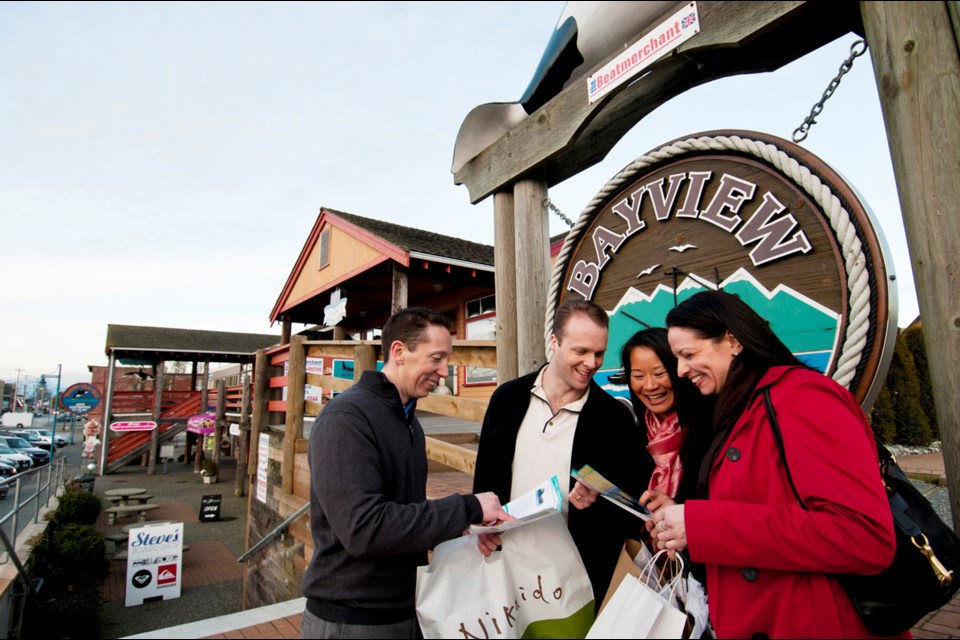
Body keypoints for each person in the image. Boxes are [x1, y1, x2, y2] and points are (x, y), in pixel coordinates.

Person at [648, 290, 898, 639]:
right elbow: (759, 501)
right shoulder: (741, 407)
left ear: (733, 341)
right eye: (677, 357)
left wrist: (703, 526)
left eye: (688, 354)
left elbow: (864, 536)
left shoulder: (803, 397)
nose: (681, 370)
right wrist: (684, 518)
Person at [301, 307, 510, 639]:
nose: (445, 371)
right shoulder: (347, 418)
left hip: (407, 608)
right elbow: (364, 529)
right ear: (398, 352)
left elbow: (404, 513)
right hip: (352, 620)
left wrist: (464, 530)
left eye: (447, 360)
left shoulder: (409, 422)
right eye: (436, 358)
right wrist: (466, 508)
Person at [472, 299, 651, 608]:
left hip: (576, 576)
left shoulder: (616, 419)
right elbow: (485, 479)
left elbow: (633, 506)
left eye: (599, 353)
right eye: (580, 351)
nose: (591, 363)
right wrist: (478, 525)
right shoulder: (507, 398)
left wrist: (600, 497)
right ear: (553, 342)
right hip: (506, 564)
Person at [619, 328, 712, 503]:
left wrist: (679, 511)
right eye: (638, 376)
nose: (650, 386)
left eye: (659, 373)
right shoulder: (632, 437)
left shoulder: (710, 430)